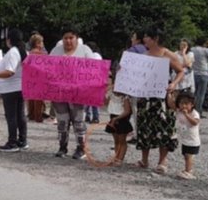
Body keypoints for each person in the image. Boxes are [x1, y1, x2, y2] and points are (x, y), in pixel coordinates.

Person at [135, 26, 185, 173]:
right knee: (144, 126)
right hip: (145, 95)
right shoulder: (144, 55)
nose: (144, 39)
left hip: (162, 96)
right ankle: (144, 159)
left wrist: (173, 84)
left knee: (164, 127)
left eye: (146, 37)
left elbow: (181, 71)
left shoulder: (167, 54)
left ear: (155, 38)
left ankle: (162, 161)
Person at [50, 28, 94, 160]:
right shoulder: (56, 51)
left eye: (71, 37)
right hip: (59, 93)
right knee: (62, 122)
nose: (68, 41)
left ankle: (81, 148)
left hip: (78, 94)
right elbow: (47, 69)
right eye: (65, 38)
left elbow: (93, 70)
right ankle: (62, 147)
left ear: (76, 38)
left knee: (79, 121)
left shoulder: (85, 50)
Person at [0, 28, 27, 153]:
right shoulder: (23, 51)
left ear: (9, 40)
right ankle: (22, 140)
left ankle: (12, 142)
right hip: (19, 87)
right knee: (20, 115)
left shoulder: (13, 52)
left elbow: (9, 71)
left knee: (11, 116)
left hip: (11, 89)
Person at [104, 74, 132, 167]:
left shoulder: (125, 97)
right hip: (112, 116)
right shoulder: (111, 94)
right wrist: (107, 90)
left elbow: (127, 111)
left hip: (122, 118)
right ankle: (116, 157)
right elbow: (105, 103)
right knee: (116, 140)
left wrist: (116, 118)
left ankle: (120, 158)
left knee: (122, 140)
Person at [174, 91, 200, 180]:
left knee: (189, 156)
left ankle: (188, 171)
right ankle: (188, 169)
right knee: (186, 155)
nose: (183, 106)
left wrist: (187, 115)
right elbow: (171, 104)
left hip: (193, 140)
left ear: (192, 104)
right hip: (185, 139)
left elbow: (195, 122)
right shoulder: (179, 111)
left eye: (186, 103)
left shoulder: (194, 113)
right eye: (181, 103)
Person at [27, 33, 46, 123]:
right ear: (38, 43)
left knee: (31, 97)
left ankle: (31, 114)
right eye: (42, 42)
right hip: (39, 78)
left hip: (30, 77)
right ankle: (38, 116)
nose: (43, 44)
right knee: (39, 99)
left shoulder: (29, 53)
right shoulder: (41, 54)